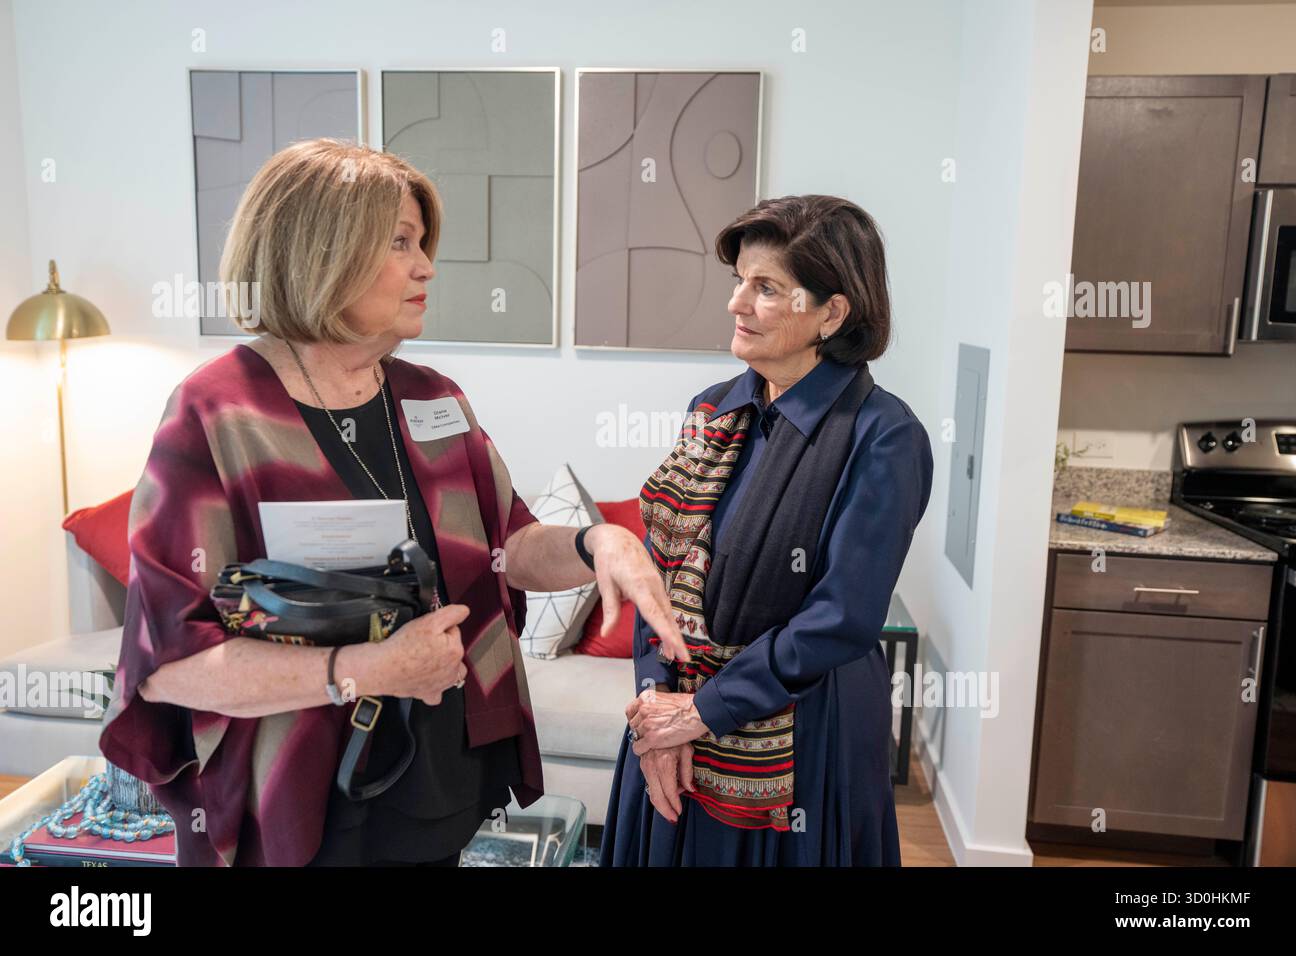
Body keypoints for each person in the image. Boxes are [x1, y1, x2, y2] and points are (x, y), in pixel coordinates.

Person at [98, 138, 688, 866]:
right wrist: (367, 669)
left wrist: (599, 543)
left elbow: (511, 546)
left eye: (423, 243)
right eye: (401, 243)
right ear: (321, 249)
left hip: (437, 779)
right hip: (300, 796)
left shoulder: (430, 397)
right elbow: (170, 664)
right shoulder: (217, 414)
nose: (426, 266)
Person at [600, 195, 934, 866]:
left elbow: (841, 618)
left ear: (831, 313)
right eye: (739, 282)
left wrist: (701, 714)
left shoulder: (884, 436)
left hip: (803, 744)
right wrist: (655, 699)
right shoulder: (713, 408)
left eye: (767, 288)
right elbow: (658, 569)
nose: (737, 302)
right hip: (675, 724)